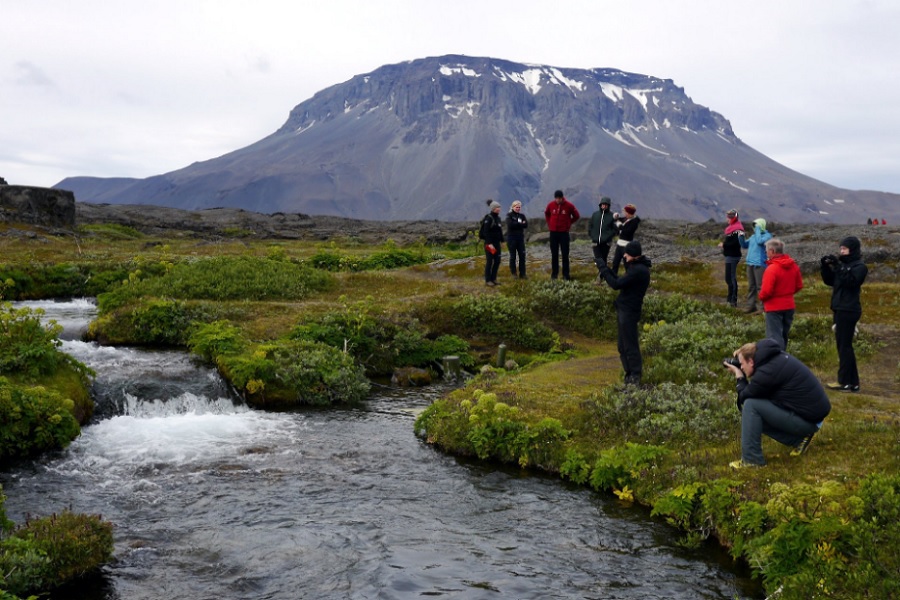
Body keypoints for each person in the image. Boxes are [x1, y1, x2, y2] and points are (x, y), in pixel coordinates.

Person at [724, 338, 831, 468]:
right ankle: (799, 440)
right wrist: (741, 355)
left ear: (751, 361)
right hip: (811, 417)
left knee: (751, 406)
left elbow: (744, 396)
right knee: (756, 410)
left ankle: (752, 460)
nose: (741, 367)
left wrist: (739, 376)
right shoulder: (773, 358)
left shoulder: (766, 373)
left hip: (808, 421)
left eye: (741, 364)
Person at [597, 240, 651, 386]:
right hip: (625, 310)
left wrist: (602, 267)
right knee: (622, 346)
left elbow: (616, 284)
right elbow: (620, 280)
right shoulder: (637, 267)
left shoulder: (638, 270)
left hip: (629, 312)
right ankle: (629, 376)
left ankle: (635, 376)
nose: (625, 256)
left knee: (630, 345)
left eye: (627, 253)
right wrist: (607, 268)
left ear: (633, 254)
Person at [820, 236, 868, 392]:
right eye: (841, 249)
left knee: (844, 347)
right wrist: (825, 267)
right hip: (840, 308)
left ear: (852, 250)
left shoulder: (860, 266)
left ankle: (845, 382)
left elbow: (851, 282)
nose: (842, 251)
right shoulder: (843, 265)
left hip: (849, 309)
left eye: (844, 249)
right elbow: (830, 281)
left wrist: (838, 265)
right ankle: (853, 383)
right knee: (844, 346)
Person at [758, 238, 803, 349]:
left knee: (774, 337)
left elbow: (766, 291)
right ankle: (783, 356)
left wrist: (761, 297)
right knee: (783, 335)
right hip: (789, 305)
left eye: (766, 251)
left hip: (774, 308)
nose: (766, 253)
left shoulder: (771, 269)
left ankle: (776, 357)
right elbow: (799, 286)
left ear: (772, 251)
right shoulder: (793, 266)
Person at [544, 190, 580, 280]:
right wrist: (549, 223)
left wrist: (569, 223)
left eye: (559, 198)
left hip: (564, 233)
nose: (558, 200)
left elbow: (576, 215)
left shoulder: (569, 206)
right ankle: (554, 275)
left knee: (565, 254)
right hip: (553, 233)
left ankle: (566, 275)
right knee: (554, 254)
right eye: (556, 198)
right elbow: (547, 213)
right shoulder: (551, 205)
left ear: (562, 198)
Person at [738, 218, 773, 313]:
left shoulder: (767, 236)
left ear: (761, 225)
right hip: (750, 263)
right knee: (751, 286)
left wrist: (758, 230)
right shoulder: (753, 236)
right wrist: (741, 237)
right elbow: (744, 245)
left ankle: (763, 307)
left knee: (760, 287)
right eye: (754, 226)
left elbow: (760, 241)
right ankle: (751, 306)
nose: (755, 227)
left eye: (757, 225)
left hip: (760, 264)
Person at [717, 209, 744, 307]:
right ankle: (730, 299)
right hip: (730, 256)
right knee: (729, 278)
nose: (727, 219)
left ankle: (732, 301)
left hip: (733, 256)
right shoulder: (732, 228)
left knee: (731, 278)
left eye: (728, 218)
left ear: (733, 218)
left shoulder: (738, 229)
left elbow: (736, 243)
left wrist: (724, 245)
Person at [588, 196, 618, 281]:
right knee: (598, 259)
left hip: (606, 242)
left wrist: (609, 236)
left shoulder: (611, 216)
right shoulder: (595, 215)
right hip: (595, 241)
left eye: (606, 205)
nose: (604, 206)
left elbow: (615, 229)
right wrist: (592, 234)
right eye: (602, 204)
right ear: (600, 205)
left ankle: (602, 276)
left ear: (608, 206)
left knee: (603, 259)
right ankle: (604, 274)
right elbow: (590, 225)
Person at [479, 200, 504, 286]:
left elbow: (500, 231)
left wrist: (502, 241)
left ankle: (494, 279)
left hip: (497, 243)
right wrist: (489, 243)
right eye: (497, 207)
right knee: (490, 261)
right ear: (493, 208)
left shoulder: (498, 219)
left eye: (499, 207)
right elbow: (486, 232)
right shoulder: (489, 218)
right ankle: (488, 280)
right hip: (490, 244)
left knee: (497, 261)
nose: (498, 209)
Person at [610, 203, 640, 276]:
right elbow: (618, 220)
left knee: (627, 264)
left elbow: (627, 231)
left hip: (626, 246)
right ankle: (613, 279)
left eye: (625, 212)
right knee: (615, 263)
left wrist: (619, 225)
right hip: (619, 244)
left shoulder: (634, 222)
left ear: (629, 213)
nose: (624, 213)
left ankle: (629, 278)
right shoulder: (627, 219)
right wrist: (616, 217)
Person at [504, 200, 528, 278]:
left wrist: (517, 224)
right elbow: (510, 225)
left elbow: (526, 225)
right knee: (513, 256)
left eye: (519, 207)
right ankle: (514, 273)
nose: (518, 208)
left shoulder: (522, 216)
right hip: (512, 238)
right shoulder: (509, 215)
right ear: (513, 207)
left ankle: (522, 273)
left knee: (522, 256)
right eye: (516, 207)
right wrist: (520, 224)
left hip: (520, 238)